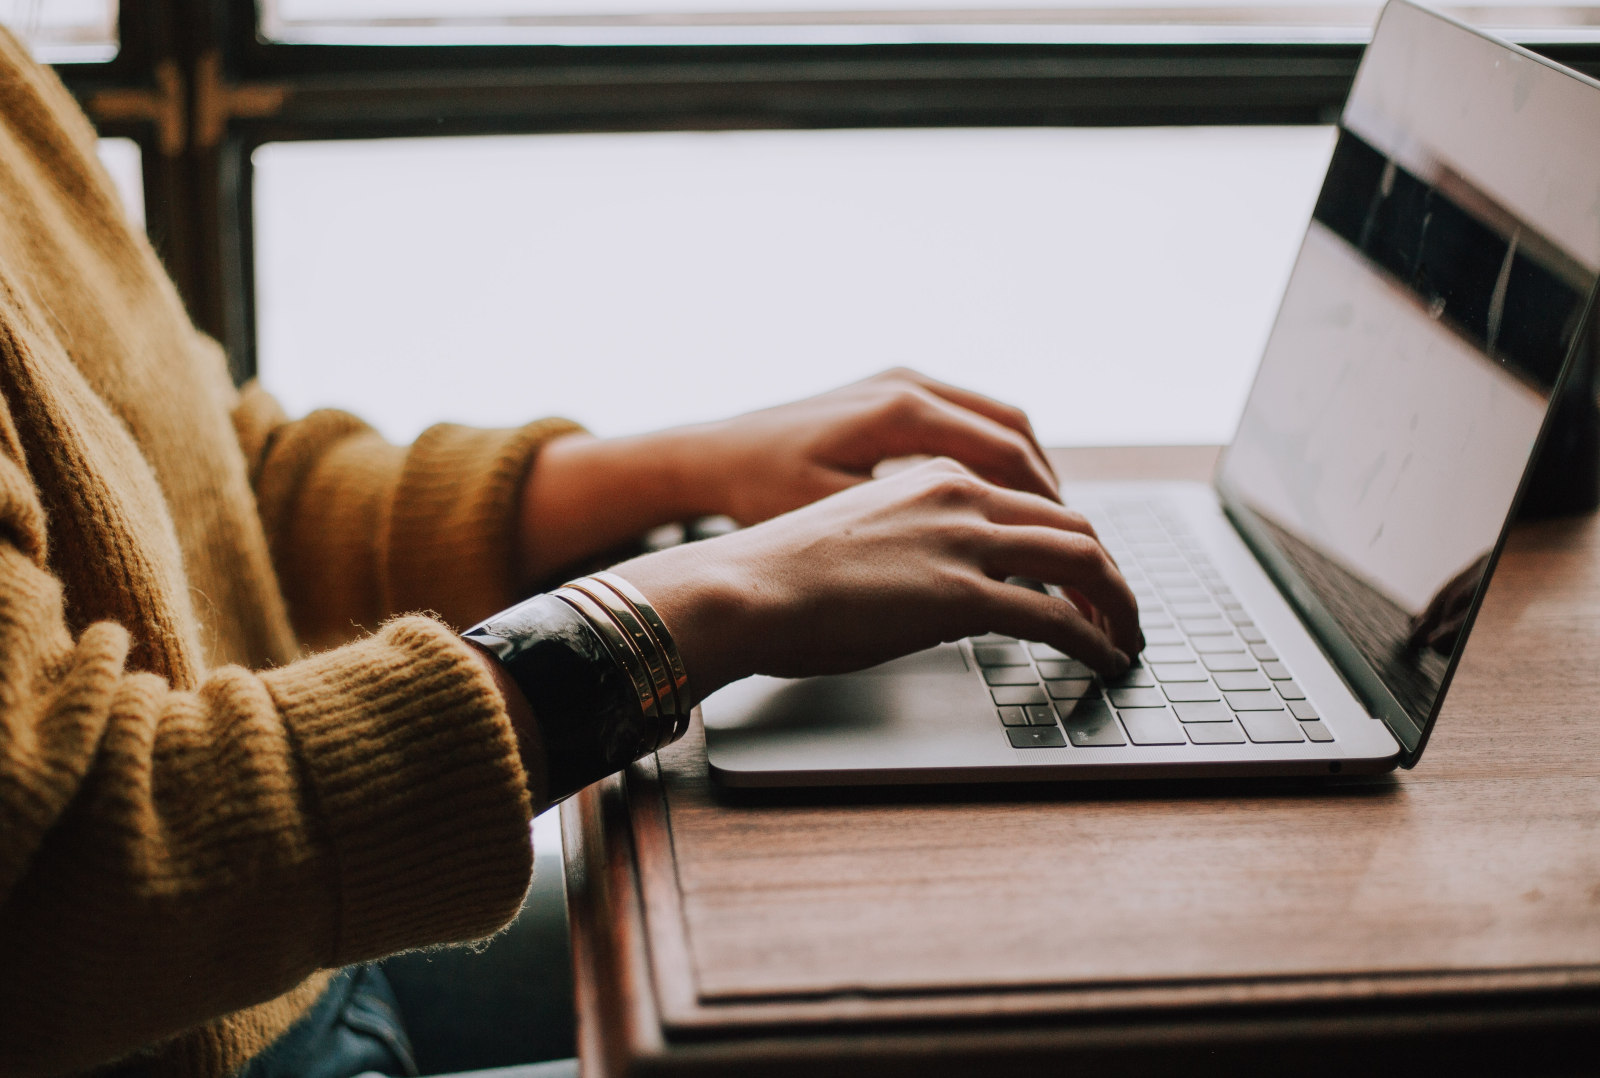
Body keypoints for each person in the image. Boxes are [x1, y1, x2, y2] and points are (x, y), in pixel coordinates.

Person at [0, 28, 1139, 1078]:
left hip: (286, 965)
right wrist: (696, 605)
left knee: (914, 951)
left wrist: (688, 467)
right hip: (205, 1028)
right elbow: (62, 872)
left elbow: (218, 487)